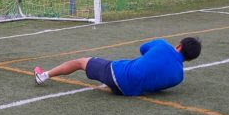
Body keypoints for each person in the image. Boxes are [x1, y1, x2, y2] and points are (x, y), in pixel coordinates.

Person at [33, 37, 201, 95]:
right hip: (129, 92)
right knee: (126, 65)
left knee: (81, 62)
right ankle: (109, 83)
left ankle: (44, 75)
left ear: (179, 45)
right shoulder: (179, 77)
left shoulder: (164, 46)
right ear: (190, 59)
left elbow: (143, 48)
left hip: (118, 75)